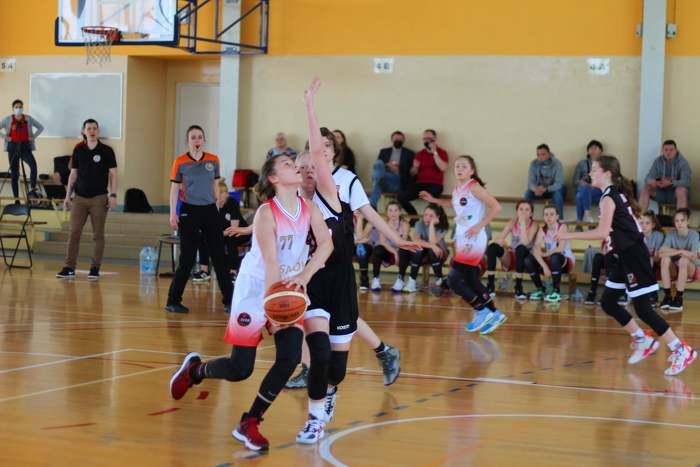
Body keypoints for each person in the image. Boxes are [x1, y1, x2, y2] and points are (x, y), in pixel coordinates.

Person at [168, 154, 333, 452]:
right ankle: (195, 371)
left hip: (290, 289)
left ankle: (250, 421)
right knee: (240, 368)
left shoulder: (309, 208)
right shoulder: (266, 214)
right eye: (287, 164)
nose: (295, 165)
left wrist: (304, 276)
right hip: (256, 290)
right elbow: (271, 262)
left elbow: (326, 244)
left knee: (289, 358)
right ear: (273, 178)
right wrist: (274, 303)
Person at [296, 79, 418, 444]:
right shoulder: (296, 195)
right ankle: (314, 411)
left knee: (336, 368)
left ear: (331, 154)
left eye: (324, 150)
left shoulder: (339, 182)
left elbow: (370, 213)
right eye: (312, 155)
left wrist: (395, 238)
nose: (318, 157)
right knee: (319, 353)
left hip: (340, 273)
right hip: (312, 278)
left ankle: (335, 384)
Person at [558, 155, 696, 376]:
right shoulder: (611, 194)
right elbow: (613, 231)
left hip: (634, 255)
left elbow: (602, 231)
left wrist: (567, 235)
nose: (590, 173)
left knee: (643, 309)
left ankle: (681, 350)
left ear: (607, 173)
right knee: (608, 302)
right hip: (623, 255)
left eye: (594, 169)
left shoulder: (609, 197)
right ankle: (642, 339)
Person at [421, 155, 507, 335]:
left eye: (463, 166)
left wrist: (479, 226)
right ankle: (495, 313)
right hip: (464, 238)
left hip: (473, 238)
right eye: (457, 166)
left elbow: (496, 207)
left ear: (471, 171)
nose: (459, 168)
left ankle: (481, 311)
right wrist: (434, 200)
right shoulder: (457, 189)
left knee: (454, 279)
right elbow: (453, 204)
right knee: (471, 279)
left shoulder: (474, 187)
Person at [165, 125, 233, 314]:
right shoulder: (180, 162)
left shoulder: (213, 160)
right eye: (193, 137)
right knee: (187, 258)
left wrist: (217, 207)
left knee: (219, 256)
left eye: (200, 137)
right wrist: (173, 213)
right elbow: (174, 189)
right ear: (188, 141)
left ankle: (229, 300)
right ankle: (173, 300)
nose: (197, 140)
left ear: (204, 140)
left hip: (210, 210)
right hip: (189, 211)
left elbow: (216, 184)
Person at [56, 119, 117, 280]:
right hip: (79, 198)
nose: (92, 131)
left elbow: (113, 174)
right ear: (83, 131)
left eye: (94, 128)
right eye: (89, 128)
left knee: (98, 235)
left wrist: (113, 195)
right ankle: (69, 267)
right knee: (74, 233)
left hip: (99, 198)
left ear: (98, 131)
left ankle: (95, 268)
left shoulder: (107, 150)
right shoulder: (78, 149)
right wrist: (67, 196)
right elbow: (73, 174)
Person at [193, 180, 253, 282]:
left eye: (222, 193)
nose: (219, 196)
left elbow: (234, 228)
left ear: (227, 194)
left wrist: (216, 234)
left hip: (241, 232)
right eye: (217, 193)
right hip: (222, 234)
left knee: (231, 237)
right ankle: (204, 271)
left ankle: (232, 272)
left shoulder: (232, 203)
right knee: (202, 237)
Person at [484, 201, 539, 299]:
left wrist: (522, 224)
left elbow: (525, 242)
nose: (523, 212)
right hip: (512, 257)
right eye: (521, 209)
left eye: (527, 210)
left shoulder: (534, 225)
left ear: (531, 214)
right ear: (517, 212)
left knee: (520, 248)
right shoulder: (512, 222)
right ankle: (490, 286)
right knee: (492, 247)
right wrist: (502, 242)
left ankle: (518, 288)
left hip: (526, 259)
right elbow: (500, 239)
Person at [526, 205, 575, 303]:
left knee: (555, 257)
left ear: (557, 216)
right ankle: (540, 289)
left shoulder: (562, 227)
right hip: (551, 260)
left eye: (552, 214)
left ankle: (556, 291)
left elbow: (560, 249)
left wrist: (545, 254)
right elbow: (535, 250)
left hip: (565, 261)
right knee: (528, 260)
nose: (549, 217)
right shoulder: (542, 230)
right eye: (546, 214)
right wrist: (544, 266)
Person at [0, 99, 44, 199]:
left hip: (25, 147)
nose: (18, 109)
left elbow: (41, 127)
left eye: (20, 107)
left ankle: (32, 189)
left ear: (23, 108)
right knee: (14, 173)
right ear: (13, 109)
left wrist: (33, 137)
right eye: (16, 107)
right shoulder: (7, 119)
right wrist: (5, 137)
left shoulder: (28, 118)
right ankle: (16, 198)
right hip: (12, 147)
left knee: (33, 166)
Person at [397, 129, 448, 215]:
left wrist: (435, 153)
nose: (427, 141)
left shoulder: (442, 152)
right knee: (401, 197)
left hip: (435, 184)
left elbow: (443, 168)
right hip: (420, 184)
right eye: (425, 139)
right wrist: (415, 167)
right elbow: (413, 173)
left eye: (429, 138)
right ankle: (414, 217)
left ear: (435, 139)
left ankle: (440, 220)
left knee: (433, 201)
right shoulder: (420, 154)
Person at [402, 203, 449, 293]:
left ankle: (439, 279)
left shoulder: (443, 226)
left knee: (432, 250)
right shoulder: (419, 223)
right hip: (424, 253)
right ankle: (412, 281)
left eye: (431, 216)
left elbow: (433, 242)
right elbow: (416, 241)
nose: (427, 218)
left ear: (437, 217)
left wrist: (431, 225)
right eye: (425, 215)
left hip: (440, 253)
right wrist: (432, 246)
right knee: (418, 249)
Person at [659, 209, 699, 312]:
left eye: (682, 220)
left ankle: (678, 298)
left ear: (688, 221)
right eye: (676, 221)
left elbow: (693, 256)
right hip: (675, 270)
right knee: (665, 259)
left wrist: (672, 252)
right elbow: (661, 253)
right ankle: (667, 296)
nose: (679, 223)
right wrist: (681, 251)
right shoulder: (671, 234)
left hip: (690, 270)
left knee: (683, 260)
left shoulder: (694, 235)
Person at [367, 201, 410, 292]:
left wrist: (397, 252)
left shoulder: (405, 224)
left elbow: (403, 241)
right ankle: (376, 279)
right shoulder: (383, 223)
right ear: (387, 212)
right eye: (390, 210)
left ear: (400, 212)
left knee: (404, 250)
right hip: (389, 251)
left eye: (395, 210)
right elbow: (383, 241)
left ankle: (400, 279)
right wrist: (394, 253)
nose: (393, 213)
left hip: (400, 250)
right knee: (378, 249)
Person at [639, 140, 691, 211]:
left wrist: (671, 183)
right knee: (645, 188)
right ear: (662, 151)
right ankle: (640, 215)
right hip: (661, 193)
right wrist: (654, 182)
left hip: (675, 195)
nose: (668, 152)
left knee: (681, 190)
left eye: (671, 150)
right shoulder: (657, 161)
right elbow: (647, 178)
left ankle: (680, 216)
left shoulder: (683, 162)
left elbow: (687, 182)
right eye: (666, 150)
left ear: (676, 150)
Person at [370, 131, 415, 209]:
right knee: (379, 162)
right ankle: (373, 205)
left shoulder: (409, 153)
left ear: (403, 140)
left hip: (398, 181)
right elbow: (378, 167)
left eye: (400, 139)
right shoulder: (384, 152)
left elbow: (410, 173)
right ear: (392, 140)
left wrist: (398, 169)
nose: (398, 140)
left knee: (377, 180)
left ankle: (372, 205)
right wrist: (387, 166)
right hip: (385, 179)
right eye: (396, 139)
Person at [524, 143, 566, 219]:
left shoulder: (557, 164)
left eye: (543, 154)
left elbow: (559, 184)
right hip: (540, 191)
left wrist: (546, 189)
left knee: (558, 196)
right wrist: (535, 189)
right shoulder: (533, 164)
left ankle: (559, 221)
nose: (540, 157)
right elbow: (530, 183)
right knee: (527, 194)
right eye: (538, 155)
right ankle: (527, 220)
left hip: (554, 190)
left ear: (549, 154)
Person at [573, 140, 604, 223]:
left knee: (579, 196)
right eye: (591, 148)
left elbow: (608, 182)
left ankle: (580, 221)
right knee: (583, 189)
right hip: (584, 189)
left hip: (598, 192)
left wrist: (593, 185)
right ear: (588, 151)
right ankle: (587, 216)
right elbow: (575, 181)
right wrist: (582, 182)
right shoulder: (581, 164)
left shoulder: (605, 164)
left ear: (601, 151)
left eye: (595, 148)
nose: (593, 151)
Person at [639, 210, 664, 307]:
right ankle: (644, 296)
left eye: (647, 223)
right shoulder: (636, 235)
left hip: (655, 264)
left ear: (653, 225)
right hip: (639, 263)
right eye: (641, 223)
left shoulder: (658, 236)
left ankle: (652, 296)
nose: (644, 226)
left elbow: (657, 257)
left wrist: (649, 257)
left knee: (649, 260)